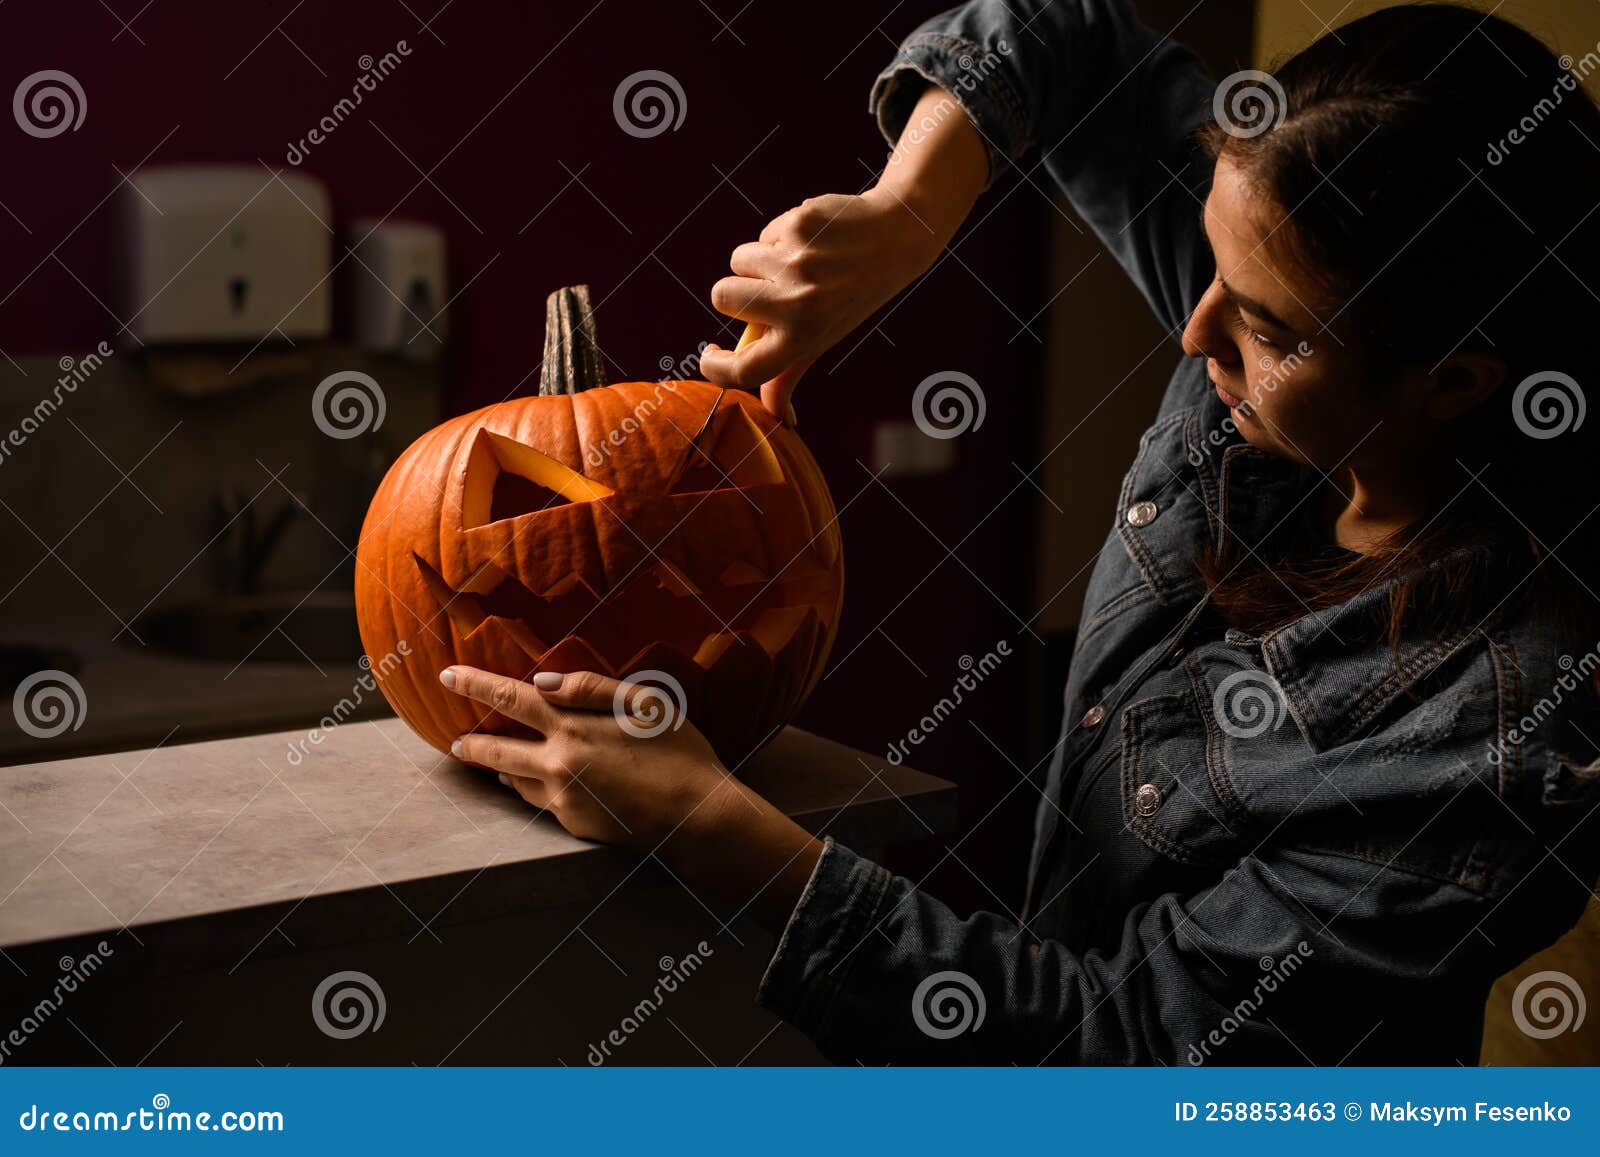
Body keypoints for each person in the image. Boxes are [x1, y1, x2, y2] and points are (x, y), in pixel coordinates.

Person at [440, 0, 1600, 1063]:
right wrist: (906, 216)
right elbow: (1060, 41)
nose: (1195, 332)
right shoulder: (1295, 306)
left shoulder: (1499, 729)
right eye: (1210, 261)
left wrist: (705, 820)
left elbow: (1132, 1057)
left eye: (1259, 324)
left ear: (1453, 380)